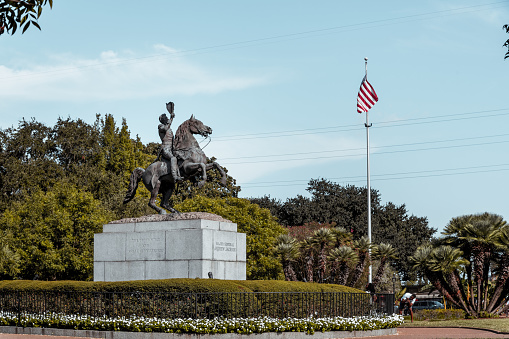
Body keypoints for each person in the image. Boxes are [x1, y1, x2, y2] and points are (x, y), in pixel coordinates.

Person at [157, 102, 183, 182]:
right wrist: (171, 119)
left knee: (182, 157)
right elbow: (165, 128)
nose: (167, 118)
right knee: (173, 158)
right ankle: (175, 176)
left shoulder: (169, 129)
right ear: (162, 120)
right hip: (165, 149)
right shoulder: (161, 127)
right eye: (165, 117)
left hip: (171, 148)